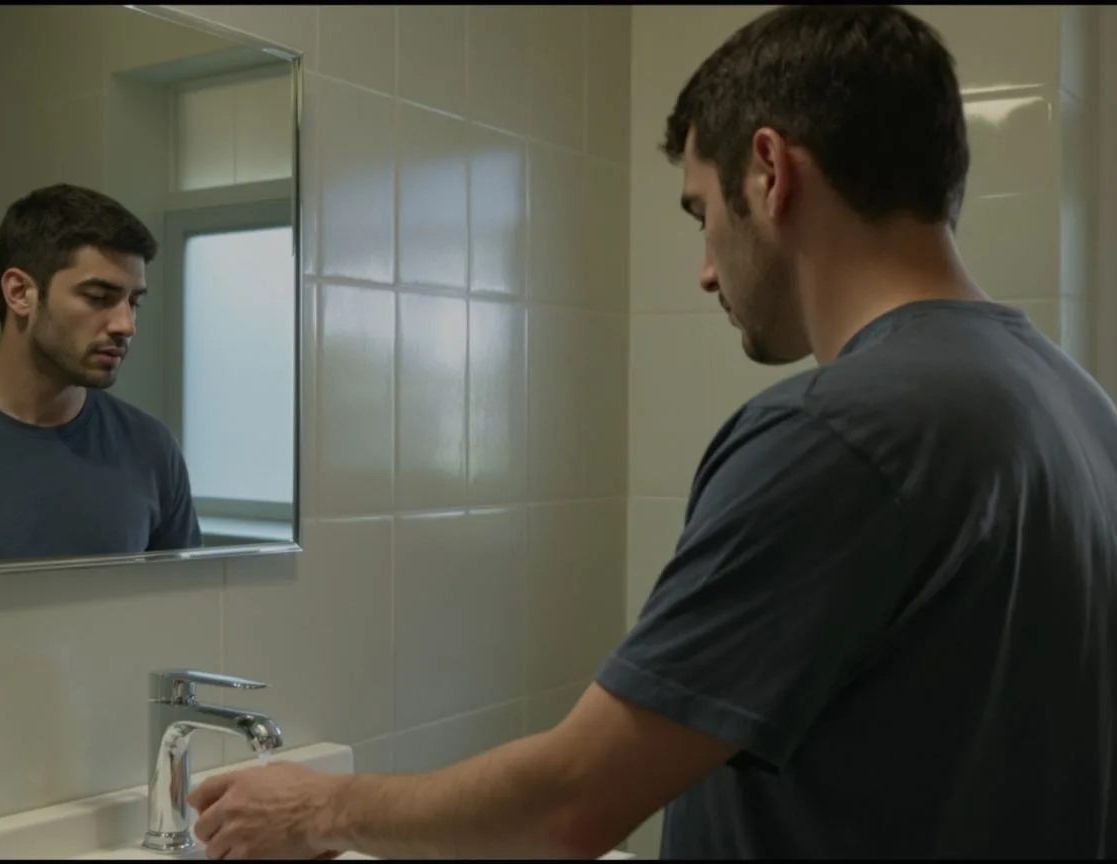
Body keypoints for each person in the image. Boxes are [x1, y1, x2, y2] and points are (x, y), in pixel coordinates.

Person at [184, 5, 1117, 859]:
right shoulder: (1077, 407)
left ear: (771, 170)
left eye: (703, 215)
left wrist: (319, 809)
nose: (707, 271)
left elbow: (569, 805)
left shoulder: (838, 434)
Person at [0, 184, 202, 564]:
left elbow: (183, 608)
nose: (126, 325)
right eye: (98, 297)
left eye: (133, 301)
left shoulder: (151, 448)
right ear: (20, 292)